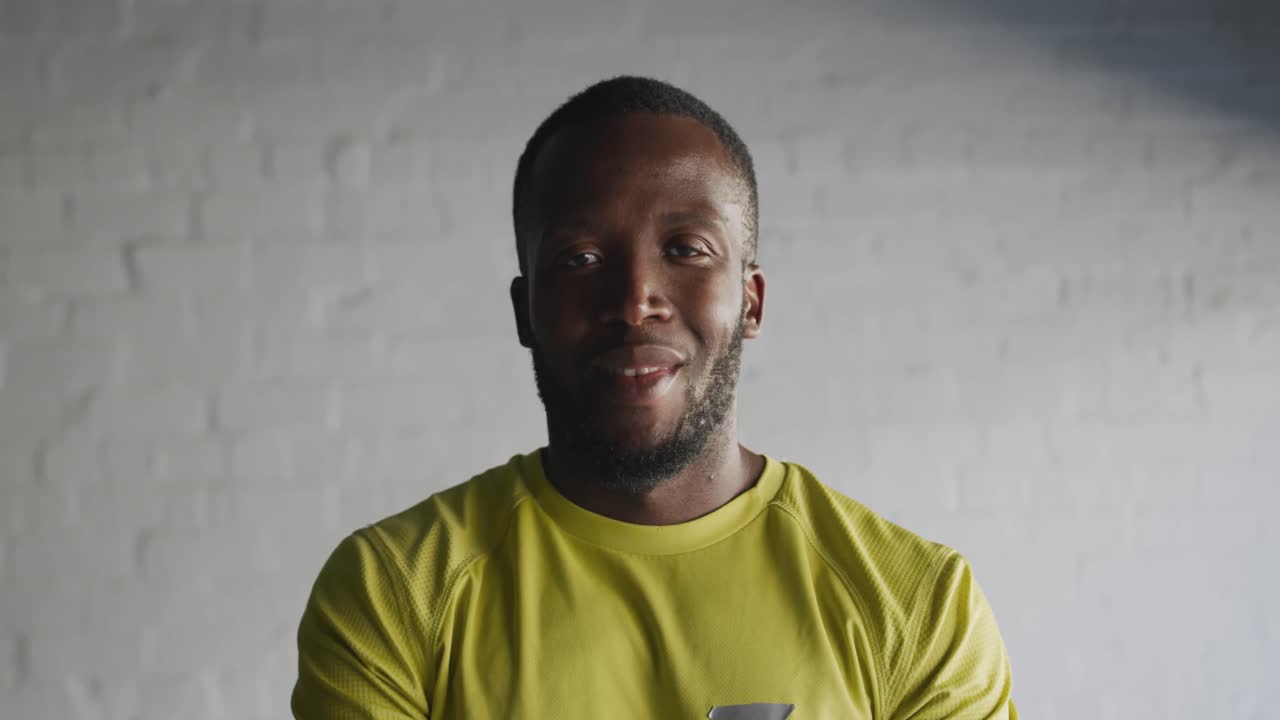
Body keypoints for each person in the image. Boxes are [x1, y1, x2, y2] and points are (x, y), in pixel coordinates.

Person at [291, 75, 1018, 719]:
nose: (634, 300)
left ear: (752, 301)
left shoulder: (918, 602)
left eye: (686, 249)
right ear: (526, 312)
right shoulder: (395, 591)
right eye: (580, 259)